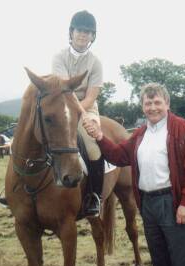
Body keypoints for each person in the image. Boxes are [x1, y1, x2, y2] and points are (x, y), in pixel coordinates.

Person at [83, 82, 185, 266]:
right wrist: (100, 137)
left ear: (167, 103)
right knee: (161, 265)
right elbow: (119, 156)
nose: (152, 107)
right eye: (148, 103)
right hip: (148, 205)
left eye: (157, 102)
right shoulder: (140, 134)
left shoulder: (182, 129)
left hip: (173, 203)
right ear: (142, 107)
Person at [52, 10, 103, 217]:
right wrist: (71, 112)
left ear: (92, 36)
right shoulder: (59, 57)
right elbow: (66, 90)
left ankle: (94, 197)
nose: (83, 35)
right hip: (62, 105)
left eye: (88, 32)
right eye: (80, 31)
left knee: (93, 149)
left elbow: (91, 96)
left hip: (87, 109)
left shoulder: (96, 62)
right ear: (71, 32)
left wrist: (82, 115)